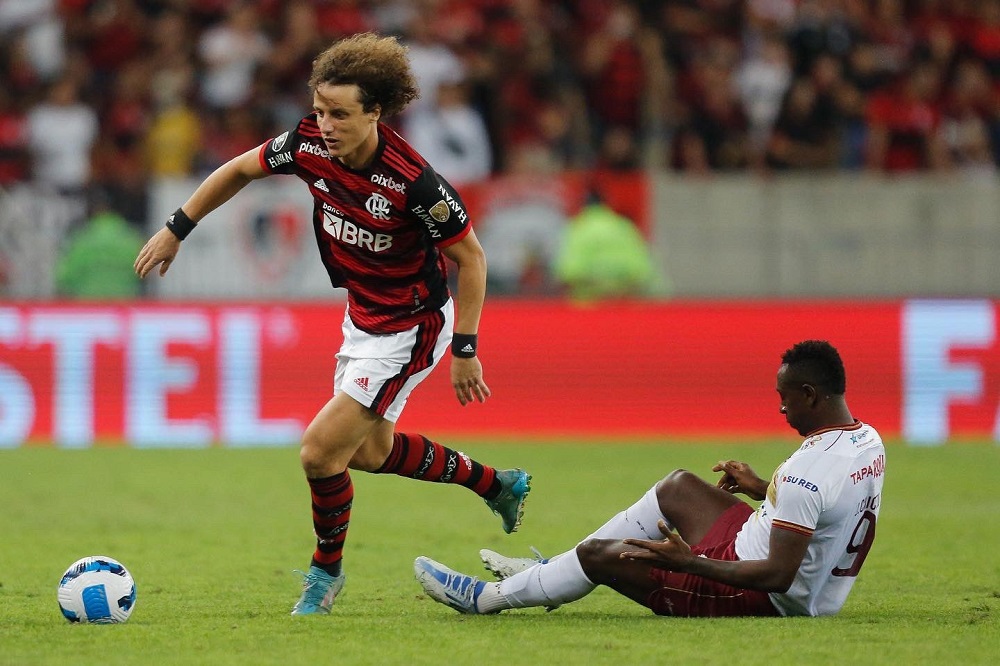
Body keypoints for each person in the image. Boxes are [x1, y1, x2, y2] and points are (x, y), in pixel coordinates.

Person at [134, 32, 530, 616]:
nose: (326, 124)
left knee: (320, 454)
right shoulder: (307, 145)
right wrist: (176, 227)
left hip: (412, 325)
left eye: (340, 114)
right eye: (320, 110)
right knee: (370, 453)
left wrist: (466, 348)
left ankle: (326, 574)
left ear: (375, 112)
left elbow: (470, 258)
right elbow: (239, 169)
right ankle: (498, 484)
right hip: (363, 318)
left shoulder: (414, 183)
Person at [415, 340, 885, 618]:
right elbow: (828, 506)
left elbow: (778, 576)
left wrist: (689, 562)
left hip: (760, 591)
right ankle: (549, 573)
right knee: (678, 484)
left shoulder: (808, 469)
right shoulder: (867, 441)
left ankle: (486, 599)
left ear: (810, 393)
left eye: (786, 399)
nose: (781, 409)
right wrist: (764, 488)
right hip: (771, 554)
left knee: (597, 557)